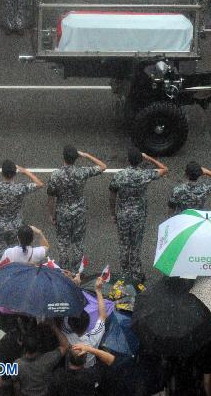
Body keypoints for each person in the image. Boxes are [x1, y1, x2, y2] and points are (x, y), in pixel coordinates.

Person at [109, 148, 168, 282]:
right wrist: (148, 157)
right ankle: (136, 274)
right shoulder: (145, 175)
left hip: (123, 214)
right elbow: (164, 169)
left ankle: (124, 273)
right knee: (135, 246)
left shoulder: (119, 175)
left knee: (124, 245)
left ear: (128, 160)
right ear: (140, 161)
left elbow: (112, 195)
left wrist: (113, 213)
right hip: (138, 215)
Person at [46, 146, 107, 273]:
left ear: (63, 157)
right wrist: (86, 155)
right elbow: (103, 166)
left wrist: (51, 214)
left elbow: (51, 197)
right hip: (79, 211)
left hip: (62, 211)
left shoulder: (56, 175)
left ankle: (64, 271)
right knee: (78, 242)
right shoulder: (82, 172)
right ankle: (76, 272)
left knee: (63, 243)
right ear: (76, 158)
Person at [0, 160, 44, 253]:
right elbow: (39, 184)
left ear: (2, 173)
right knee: (15, 251)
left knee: (1, 253)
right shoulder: (20, 188)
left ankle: (4, 265)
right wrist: (25, 172)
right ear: (15, 174)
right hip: (16, 226)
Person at [62, 276, 110, 369]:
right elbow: (102, 316)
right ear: (88, 324)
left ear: (70, 325)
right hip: (89, 367)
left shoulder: (65, 336)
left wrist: (74, 286)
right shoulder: (93, 337)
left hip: (69, 366)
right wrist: (98, 291)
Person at [15, 324, 70, 396]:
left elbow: (16, 384)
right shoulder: (47, 359)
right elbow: (65, 346)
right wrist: (53, 326)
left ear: (24, 347)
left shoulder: (17, 364)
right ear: (39, 346)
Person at [48, 343, 115, 396]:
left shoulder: (58, 375)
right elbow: (110, 359)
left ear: (68, 357)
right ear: (85, 360)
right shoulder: (90, 375)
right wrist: (90, 349)